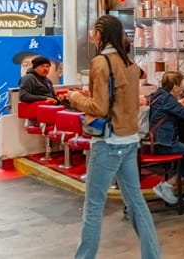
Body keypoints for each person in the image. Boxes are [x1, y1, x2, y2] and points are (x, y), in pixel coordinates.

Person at [67, 15, 160, 259]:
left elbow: (98, 108)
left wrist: (76, 98)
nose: (92, 36)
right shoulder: (130, 64)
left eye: (94, 31)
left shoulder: (101, 62)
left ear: (101, 33)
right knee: (136, 202)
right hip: (129, 139)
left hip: (108, 142)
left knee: (94, 205)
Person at [148, 71, 184, 205]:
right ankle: (168, 185)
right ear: (174, 87)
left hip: (156, 141)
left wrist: (179, 101)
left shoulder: (158, 95)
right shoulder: (168, 100)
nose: (181, 88)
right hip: (165, 142)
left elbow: (164, 108)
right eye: (180, 85)